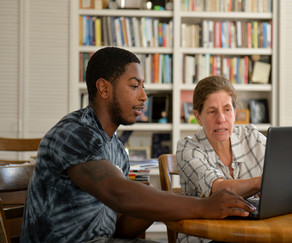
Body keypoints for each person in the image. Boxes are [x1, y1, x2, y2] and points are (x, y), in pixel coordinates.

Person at [20, 47, 256, 243]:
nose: (144, 96)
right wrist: (204, 206)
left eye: (143, 86)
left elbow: (121, 227)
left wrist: (160, 201)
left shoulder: (116, 149)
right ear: (104, 88)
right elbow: (118, 193)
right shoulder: (74, 132)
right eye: (134, 86)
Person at [176, 75, 267, 243]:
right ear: (198, 116)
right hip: (206, 238)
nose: (221, 119)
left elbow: (283, 171)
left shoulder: (252, 137)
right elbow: (218, 190)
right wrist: (264, 182)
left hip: (251, 234)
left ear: (235, 112)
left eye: (227, 109)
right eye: (212, 111)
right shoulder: (187, 148)